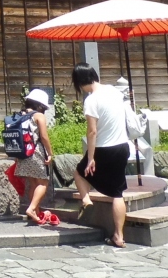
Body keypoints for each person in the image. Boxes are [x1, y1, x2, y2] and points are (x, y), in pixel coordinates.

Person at [71, 63, 130, 248]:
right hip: (122, 146)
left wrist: (91, 158)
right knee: (118, 193)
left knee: (79, 173)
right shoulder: (114, 91)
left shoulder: (91, 100)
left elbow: (92, 132)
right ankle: (119, 236)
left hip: (104, 148)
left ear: (80, 82)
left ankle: (86, 199)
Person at [14, 89, 58, 226]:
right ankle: (32, 208)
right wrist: (50, 153)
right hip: (35, 152)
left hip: (22, 154)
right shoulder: (38, 116)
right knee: (43, 183)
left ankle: (36, 213)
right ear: (40, 105)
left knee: (33, 183)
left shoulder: (20, 115)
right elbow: (43, 136)